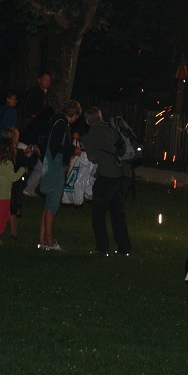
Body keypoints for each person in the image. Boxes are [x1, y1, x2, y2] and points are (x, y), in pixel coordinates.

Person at [82, 106, 133, 257]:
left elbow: (92, 157)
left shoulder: (95, 131)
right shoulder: (113, 127)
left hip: (108, 176)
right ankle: (124, 248)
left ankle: (102, 247)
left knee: (98, 213)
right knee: (117, 213)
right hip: (124, 175)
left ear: (87, 121)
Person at [38, 100, 81, 251]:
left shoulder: (57, 121)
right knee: (52, 206)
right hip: (55, 168)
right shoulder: (62, 124)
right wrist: (72, 150)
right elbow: (55, 145)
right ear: (74, 114)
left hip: (50, 166)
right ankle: (50, 241)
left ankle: (42, 240)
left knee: (48, 204)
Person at [0, 127, 27, 245]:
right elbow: (13, 178)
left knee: (1, 214)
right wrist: (22, 170)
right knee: (5, 216)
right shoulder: (8, 164)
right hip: (4, 195)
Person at [0, 90, 20, 156]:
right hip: (6, 140)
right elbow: (11, 127)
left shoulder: (4, 109)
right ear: (8, 99)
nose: (16, 101)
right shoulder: (11, 111)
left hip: (0, 140)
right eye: (14, 99)